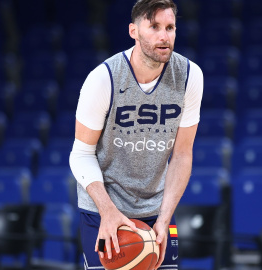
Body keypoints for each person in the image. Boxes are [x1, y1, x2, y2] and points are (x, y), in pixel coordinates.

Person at [69, 0, 203, 269]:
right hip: (102, 209)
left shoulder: (190, 76)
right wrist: (107, 211)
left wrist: (164, 219)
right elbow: (81, 154)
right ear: (134, 31)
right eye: (154, 27)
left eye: (170, 27)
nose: (164, 36)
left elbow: (182, 154)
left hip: (157, 210)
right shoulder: (103, 79)